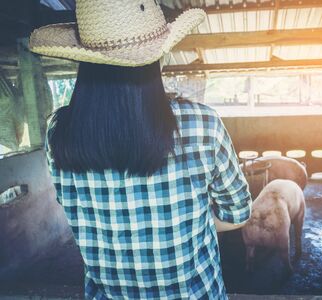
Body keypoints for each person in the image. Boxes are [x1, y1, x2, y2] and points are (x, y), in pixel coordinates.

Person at [30, 1, 252, 299]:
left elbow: (73, 208)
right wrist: (185, 226)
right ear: (157, 57)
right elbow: (238, 213)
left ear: (84, 62)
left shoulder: (58, 133)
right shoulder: (201, 124)